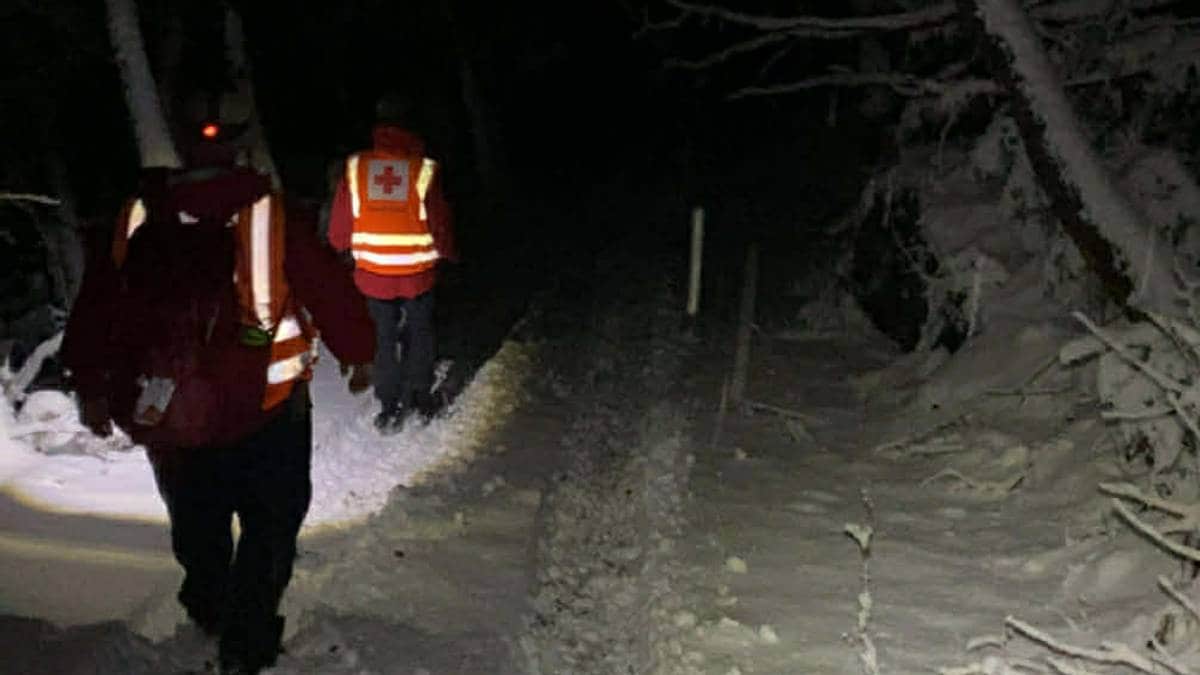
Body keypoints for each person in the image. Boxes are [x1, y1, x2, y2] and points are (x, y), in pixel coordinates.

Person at [61, 95, 376, 675]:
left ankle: (208, 607)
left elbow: (100, 300)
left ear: (178, 148)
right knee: (271, 522)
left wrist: (91, 380)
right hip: (268, 407)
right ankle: (248, 640)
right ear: (236, 147)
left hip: (173, 407)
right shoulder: (270, 213)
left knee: (196, 516)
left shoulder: (137, 214)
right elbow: (327, 290)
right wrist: (359, 354)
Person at [327, 96, 457, 434]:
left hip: (373, 276)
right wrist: (448, 253)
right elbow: (439, 222)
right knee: (420, 332)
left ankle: (388, 406)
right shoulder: (423, 169)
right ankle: (420, 398)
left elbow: (339, 231)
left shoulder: (355, 168)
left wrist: (343, 248)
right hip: (417, 275)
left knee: (383, 337)